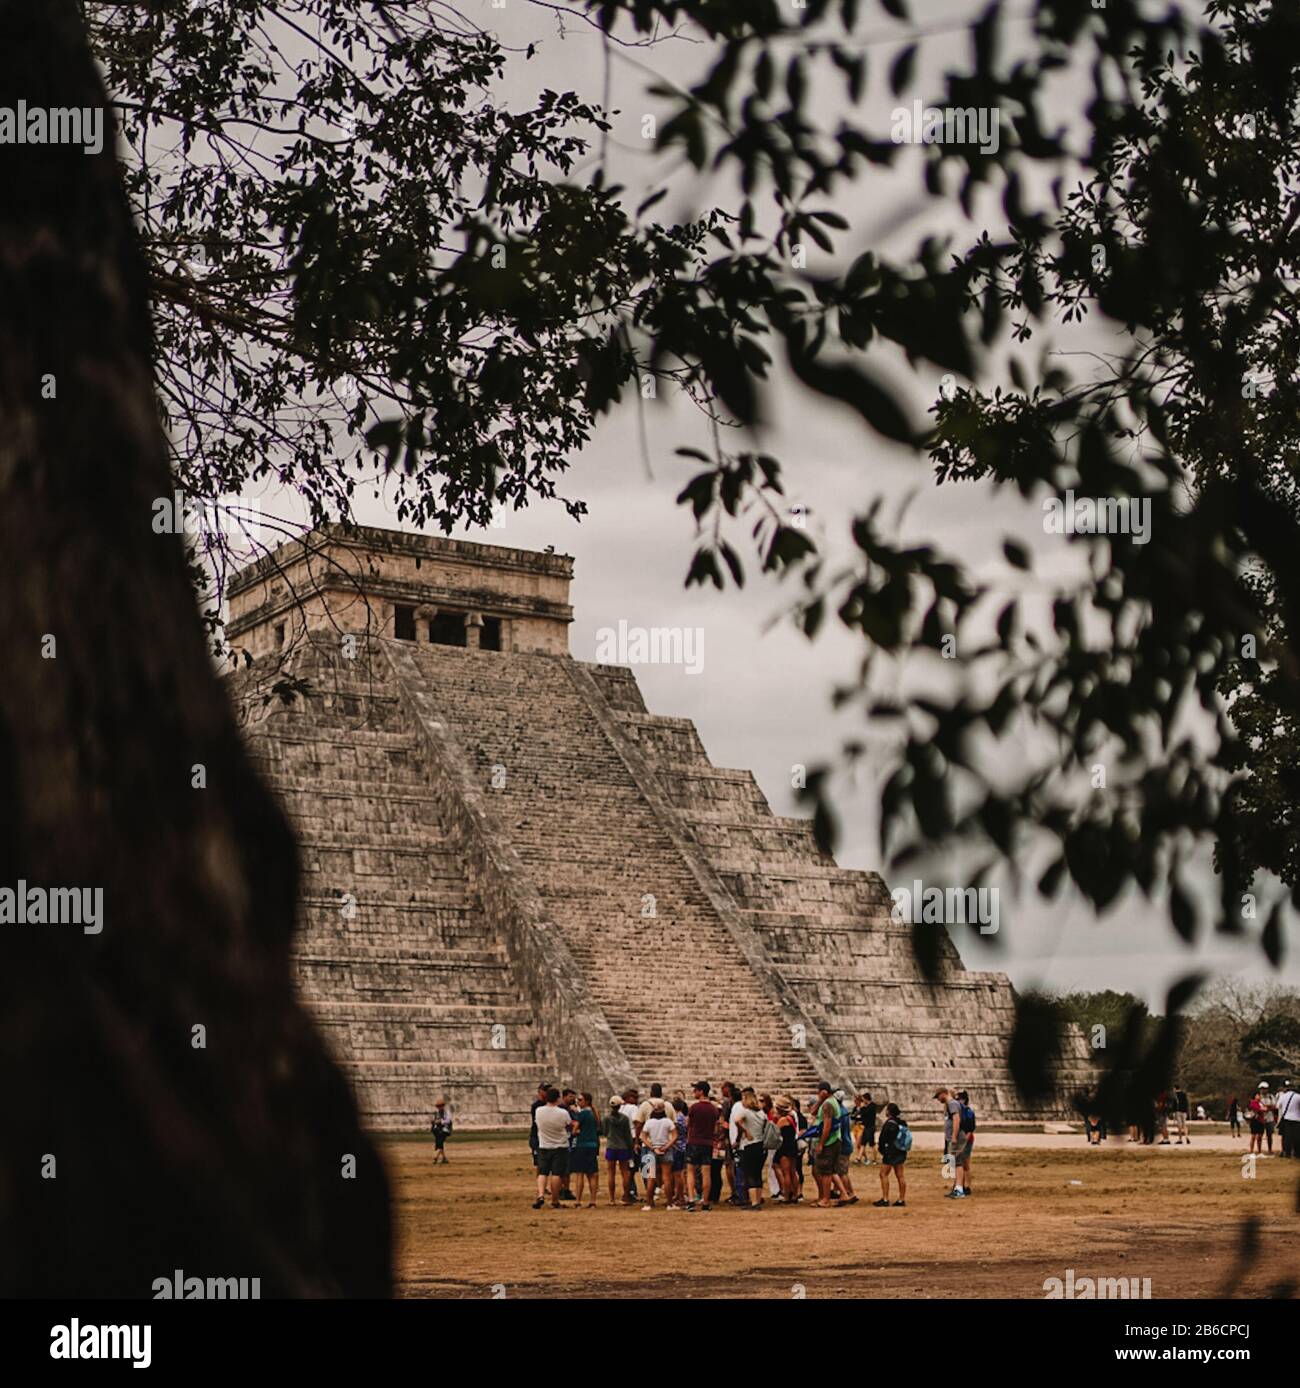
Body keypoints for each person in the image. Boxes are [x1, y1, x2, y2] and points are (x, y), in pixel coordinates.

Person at [533, 1088, 575, 1210]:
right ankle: (555, 1200)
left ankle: (540, 1194)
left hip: (544, 1145)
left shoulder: (539, 1111)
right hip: (559, 1146)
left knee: (542, 1172)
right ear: (558, 1098)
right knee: (557, 1174)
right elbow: (569, 1125)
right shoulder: (562, 1112)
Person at [685, 1081, 719, 1212]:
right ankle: (705, 1201)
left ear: (701, 1092)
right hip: (707, 1143)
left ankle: (691, 1200)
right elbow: (715, 1126)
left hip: (694, 1141)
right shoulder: (713, 1109)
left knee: (691, 1171)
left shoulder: (694, 1107)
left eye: (696, 1090)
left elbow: (688, 1124)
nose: (694, 1093)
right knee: (706, 1173)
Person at [810, 1081, 843, 1208]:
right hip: (833, 1140)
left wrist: (821, 1144)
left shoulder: (828, 1104)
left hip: (829, 1141)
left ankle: (826, 1198)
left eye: (819, 1092)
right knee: (826, 1171)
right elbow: (813, 1112)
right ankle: (824, 1197)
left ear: (824, 1092)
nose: (817, 1094)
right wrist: (819, 1100)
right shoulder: (828, 1102)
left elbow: (827, 1126)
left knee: (825, 1171)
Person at [733, 1088, 769, 1208]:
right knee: (757, 1173)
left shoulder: (746, 1112)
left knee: (750, 1173)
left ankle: (753, 1202)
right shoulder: (761, 1113)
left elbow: (737, 1120)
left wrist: (745, 1131)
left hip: (750, 1144)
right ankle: (757, 1200)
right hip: (760, 1143)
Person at [641, 1099, 676, 1210]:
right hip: (665, 1149)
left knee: (651, 1177)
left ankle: (649, 1203)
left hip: (652, 1150)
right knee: (667, 1178)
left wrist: (651, 1147)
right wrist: (667, 1146)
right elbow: (675, 1136)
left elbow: (643, 1137)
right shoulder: (668, 1122)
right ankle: (670, 1203)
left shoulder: (649, 1122)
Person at [601, 1094, 635, 1205]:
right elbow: (627, 1135)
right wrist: (630, 1146)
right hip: (623, 1147)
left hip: (611, 1146)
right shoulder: (624, 1119)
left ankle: (611, 1198)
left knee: (611, 1172)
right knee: (625, 1172)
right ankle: (626, 1196)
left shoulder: (606, 1119)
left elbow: (605, 1132)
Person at [874, 1103, 908, 1207]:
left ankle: (885, 1198)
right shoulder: (902, 1123)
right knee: (900, 1175)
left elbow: (882, 1139)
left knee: (883, 1174)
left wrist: (883, 1151)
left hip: (890, 1152)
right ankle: (901, 1199)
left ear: (888, 1112)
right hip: (901, 1150)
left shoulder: (889, 1123)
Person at [936, 1086, 968, 1195]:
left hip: (957, 1138)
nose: (938, 1099)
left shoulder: (952, 1104)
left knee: (958, 1162)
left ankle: (959, 1189)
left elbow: (956, 1119)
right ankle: (957, 1187)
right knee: (954, 1163)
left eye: (938, 1096)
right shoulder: (949, 1105)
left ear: (943, 1094)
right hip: (953, 1138)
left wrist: (954, 1136)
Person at [570, 1093, 600, 1207]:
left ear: (586, 1101)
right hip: (592, 1145)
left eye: (580, 1100)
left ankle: (578, 1200)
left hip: (582, 1145)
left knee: (580, 1174)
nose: (578, 1101)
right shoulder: (593, 1113)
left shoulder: (582, 1114)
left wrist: (577, 1131)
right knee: (592, 1174)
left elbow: (574, 1130)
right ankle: (593, 1201)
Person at [947, 1090, 974, 1198]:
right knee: (958, 1163)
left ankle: (967, 1185)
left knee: (965, 1164)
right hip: (961, 1139)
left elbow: (970, 1128)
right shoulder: (960, 1111)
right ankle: (959, 1185)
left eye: (959, 1099)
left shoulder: (968, 1111)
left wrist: (964, 1141)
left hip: (967, 1140)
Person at [773, 1096, 800, 1202]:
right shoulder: (791, 1117)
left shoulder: (783, 1120)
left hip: (784, 1147)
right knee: (793, 1171)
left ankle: (787, 1195)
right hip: (792, 1145)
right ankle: (795, 1194)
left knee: (786, 1172)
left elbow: (775, 1132)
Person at [669, 1098, 689, 1209]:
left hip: (677, 1147)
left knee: (677, 1174)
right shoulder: (683, 1117)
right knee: (678, 1173)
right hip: (682, 1145)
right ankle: (678, 1195)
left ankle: (680, 1196)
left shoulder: (676, 1118)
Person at [1276, 1081, 1300, 1159]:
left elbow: (1277, 1106)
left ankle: (1287, 1153)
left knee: (1287, 1137)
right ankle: (1297, 1153)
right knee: (1296, 1137)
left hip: (1286, 1119)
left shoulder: (1282, 1096)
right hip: (1296, 1119)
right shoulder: (1298, 1096)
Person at [855, 1092, 879, 1165]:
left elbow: (865, 1114)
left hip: (870, 1127)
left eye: (863, 1100)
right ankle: (858, 1158)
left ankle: (875, 1159)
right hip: (866, 1127)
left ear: (866, 1099)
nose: (863, 1101)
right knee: (863, 1143)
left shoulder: (872, 1106)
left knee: (872, 1144)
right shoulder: (867, 1106)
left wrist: (862, 1108)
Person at [430, 1097, 453, 1164]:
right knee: (439, 1143)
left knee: (440, 1142)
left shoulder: (447, 1113)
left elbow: (448, 1121)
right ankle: (444, 1159)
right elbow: (435, 1121)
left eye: (440, 1106)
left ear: (443, 1106)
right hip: (437, 1130)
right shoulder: (437, 1113)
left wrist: (440, 1121)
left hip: (445, 1130)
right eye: (438, 1106)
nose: (439, 1107)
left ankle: (435, 1157)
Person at [1247, 1087, 1267, 1155]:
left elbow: (1264, 1109)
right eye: (1258, 1095)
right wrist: (1262, 1109)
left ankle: (1259, 1150)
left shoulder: (1261, 1103)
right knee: (1253, 1136)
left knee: (1260, 1136)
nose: (1259, 1096)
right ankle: (1251, 1150)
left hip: (1261, 1121)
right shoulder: (1253, 1102)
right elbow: (1258, 1109)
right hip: (1255, 1121)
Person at [1262, 1082, 1278, 1154]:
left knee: (1269, 1135)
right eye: (1262, 1089)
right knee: (1259, 1135)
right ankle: (1259, 1150)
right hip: (1261, 1118)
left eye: (1264, 1089)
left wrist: (1268, 1107)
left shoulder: (1271, 1097)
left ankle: (1270, 1149)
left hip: (1269, 1118)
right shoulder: (1258, 1096)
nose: (1263, 1090)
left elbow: (1274, 1106)